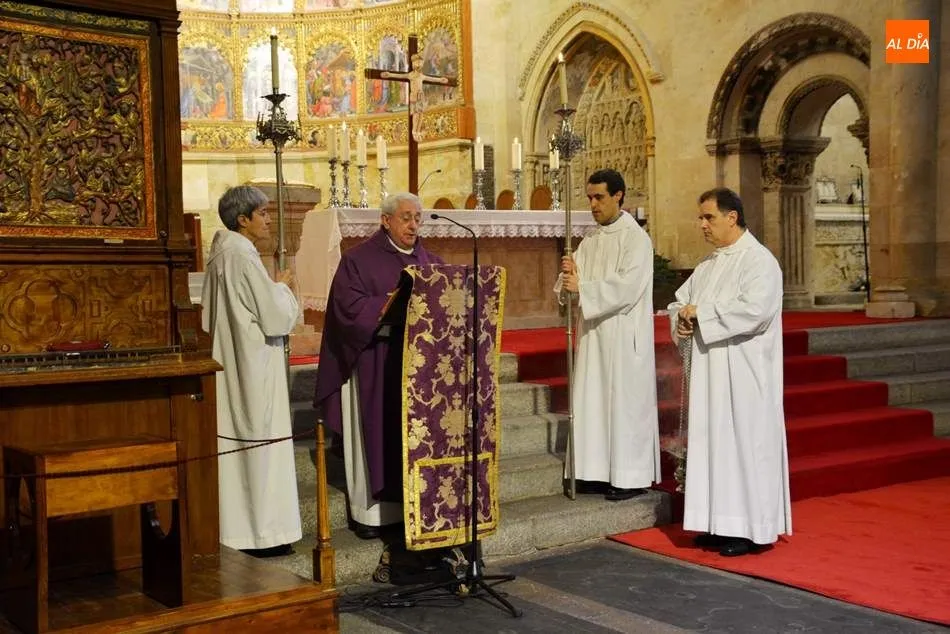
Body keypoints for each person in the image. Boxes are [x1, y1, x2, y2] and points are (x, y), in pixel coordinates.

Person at [669, 187, 792, 557]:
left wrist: (701, 314)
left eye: (709, 217)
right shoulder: (709, 264)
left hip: (745, 375)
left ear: (732, 217)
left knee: (744, 447)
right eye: (701, 217)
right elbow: (680, 302)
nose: (702, 224)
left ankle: (753, 530)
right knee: (714, 447)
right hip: (710, 376)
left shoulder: (759, 261)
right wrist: (682, 318)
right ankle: (718, 523)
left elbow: (756, 311)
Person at [314, 192, 443, 539]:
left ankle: (413, 510)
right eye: (405, 218)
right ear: (385, 221)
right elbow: (346, 309)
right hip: (375, 358)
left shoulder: (432, 263)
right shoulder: (357, 260)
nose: (413, 225)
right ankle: (370, 516)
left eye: (417, 218)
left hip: (418, 367)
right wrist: (386, 305)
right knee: (375, 435)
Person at [201, 185, 301, 557]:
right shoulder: (242, 256)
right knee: (260, 445)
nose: (268, 220)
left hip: (233, 362)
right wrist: (283, 288)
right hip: (254, 366)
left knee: (241, 446)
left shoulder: (221, 254)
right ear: (242, 220)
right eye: (262, 213)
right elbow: (274, 317)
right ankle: (264, 534)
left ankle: (242, 532)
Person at [556, 169, 660, 501]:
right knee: (593, 403)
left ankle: (630, 477)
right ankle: (595, 472)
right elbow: (569, 289)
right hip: (593, 337)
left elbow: (627, 287)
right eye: (589, 198)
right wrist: (567, 278)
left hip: (623, 336)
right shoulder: (590, 240)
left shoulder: (636, 239)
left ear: (618, 196)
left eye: (599, 197)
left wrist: (583, 288)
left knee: (623, 407)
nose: (593, 204)